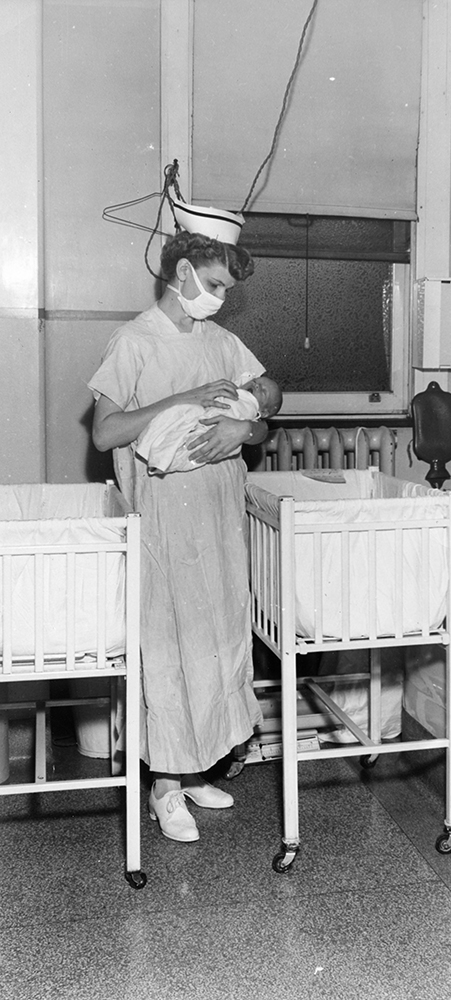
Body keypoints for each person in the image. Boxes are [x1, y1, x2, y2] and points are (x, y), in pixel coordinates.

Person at [88, 228, 271, 844]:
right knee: (168, 645)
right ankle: (165, 786)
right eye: (214, 285)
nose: (219, 298)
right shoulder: (134, 341)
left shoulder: (222, 341)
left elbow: (265, 409)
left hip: (219, 514)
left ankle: (195, 769)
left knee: (216, 639)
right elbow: (105, 434)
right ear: (184, 271)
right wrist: (183, 398)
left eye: (226, 290)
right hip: (165, 519)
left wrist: (242, 433)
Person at [135, 375, 282, 475]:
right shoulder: (240, 388)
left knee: (192, 449)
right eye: (256, 383)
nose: (256, 387)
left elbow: (261, 429)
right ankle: (153, 450)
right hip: (200, 417)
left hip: (214, 437)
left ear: (264, 412)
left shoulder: (251, 407)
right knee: (179, 417)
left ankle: (162, 462)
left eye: (262, 391)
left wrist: (246, 428)